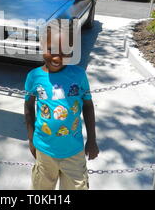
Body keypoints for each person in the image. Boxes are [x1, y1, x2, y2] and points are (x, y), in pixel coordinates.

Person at [24, 19, 99, 190]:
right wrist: (31, 139)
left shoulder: (79, 75)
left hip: (74, 151)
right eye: (51, 49)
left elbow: (88, 106)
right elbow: (28, 108)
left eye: (64, 51)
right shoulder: (34, 77)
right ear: (43, 45)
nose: (57, 57)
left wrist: (92, 140)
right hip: (44, 148)